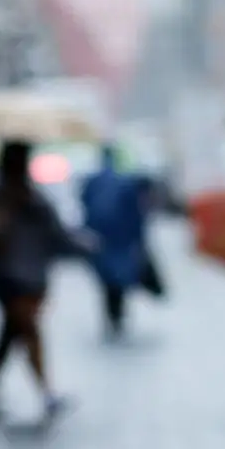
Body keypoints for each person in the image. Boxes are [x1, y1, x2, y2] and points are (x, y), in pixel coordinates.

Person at [0, 141, 86, 417]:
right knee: (27, 330)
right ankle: (45, 391)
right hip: (9, 277)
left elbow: (56, 234)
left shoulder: (34, 198)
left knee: (13, 332)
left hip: (31, 277)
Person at [80, 145, 148, 339]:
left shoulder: (93, 181)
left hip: (101, 237)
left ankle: (112, 314)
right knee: (120, 276)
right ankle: (117, 314)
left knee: (106, 279)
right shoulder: (124, 181)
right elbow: (136, 214)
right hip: (121, 238)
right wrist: (139, 239)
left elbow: (84, 206)